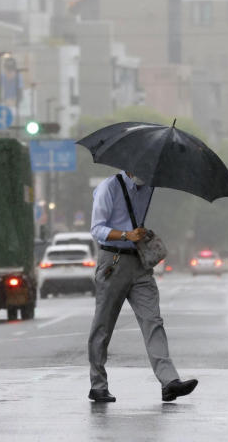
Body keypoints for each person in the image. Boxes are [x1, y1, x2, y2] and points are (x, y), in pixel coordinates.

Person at [87, 171, 197, 403]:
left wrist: (140, 233)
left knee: (153, 321)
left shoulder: (147, 188)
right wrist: (127, 234)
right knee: (103, 326)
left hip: (139, 263)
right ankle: (98, 385)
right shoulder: (109, 187)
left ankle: (169, 382)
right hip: (113, 261)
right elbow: (97, 229)